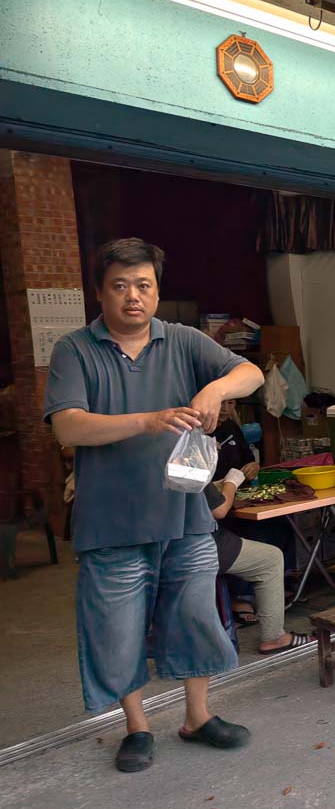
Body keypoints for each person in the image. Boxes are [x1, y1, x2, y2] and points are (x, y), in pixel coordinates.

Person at [45, 237, 265, 773]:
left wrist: (215, 390)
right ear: (100, 292)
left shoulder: (183, 340)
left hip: (185, 518)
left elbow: (252, 373)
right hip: (112, 523)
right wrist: (148, 420)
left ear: (157, 291)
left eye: (143, 285)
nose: (132, 297)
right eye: (119, 286)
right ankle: (137, 727)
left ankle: (197, 716)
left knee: (194, 618)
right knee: (118, 630)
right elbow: (65, 426)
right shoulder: (75, 350)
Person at [205, 399, 315, 655]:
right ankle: (273, 634)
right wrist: (230, 482)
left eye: (230, 402)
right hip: (199, 540)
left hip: (180, 535)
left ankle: (273, 592)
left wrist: (244, 472)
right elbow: (219, 509)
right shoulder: (188, 450)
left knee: (278, 526)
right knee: (269, 557)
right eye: (219, 402)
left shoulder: (227, 429)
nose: (223, 409)